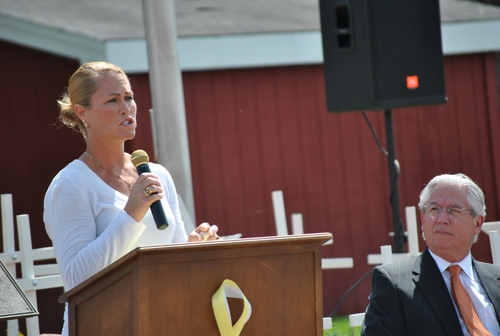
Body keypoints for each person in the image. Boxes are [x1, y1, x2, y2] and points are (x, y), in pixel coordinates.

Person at [43, 61, 219, 336]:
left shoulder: (156, 173)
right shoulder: (70, 184)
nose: (126, 107)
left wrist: (192, 246)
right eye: (113, 100)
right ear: (82, 113)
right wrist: (130, 215)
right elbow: (76, 280)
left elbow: (170, 263)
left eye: (129, 97)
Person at [362, 173, 500, 336]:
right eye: (434, 209)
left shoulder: (496, 279)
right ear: (423, 219)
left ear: (478, 223)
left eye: (453, 210)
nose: (441, 219)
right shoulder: (395, 284)